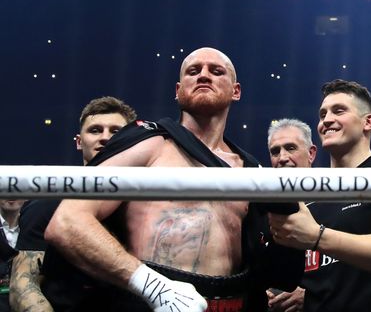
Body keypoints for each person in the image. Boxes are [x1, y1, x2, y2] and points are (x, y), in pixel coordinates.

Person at [44, 48, 303, 312]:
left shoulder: (249, 169)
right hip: (146, 300)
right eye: (193, 71)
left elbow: (277, 257)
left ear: (236, 91)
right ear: (178, 90)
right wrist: (153, 287)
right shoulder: (149, 144)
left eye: (216, 71)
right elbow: (67, 221)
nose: (203, 75)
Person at [267, 79, 371, 312]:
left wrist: (317, 236)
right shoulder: (310, 191)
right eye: (322, 114)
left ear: (368, 122)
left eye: (339, 111)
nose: (327, 120)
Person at [9, 96, 136, 312]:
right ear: (79, 141)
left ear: (133, 140)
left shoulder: (147, 207)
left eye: (116, 131)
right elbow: (23, 284)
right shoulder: (47, 204)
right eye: (95, 130)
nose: (105, 138)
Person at [264, 118, 316, 312]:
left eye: (290, 148)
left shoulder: (337, 203)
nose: (282, 157)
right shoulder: (262, 208)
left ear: (311, 153)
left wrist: (312, 294)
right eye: (275, 151)